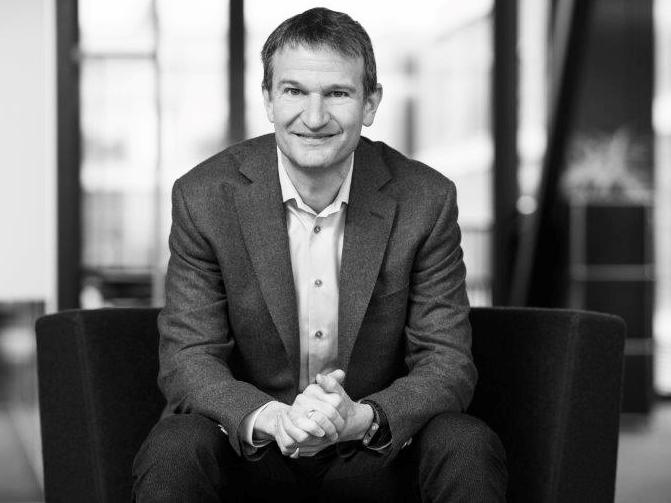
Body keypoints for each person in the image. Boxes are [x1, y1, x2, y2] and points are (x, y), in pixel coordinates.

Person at [132, 7, 507, 502]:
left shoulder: (425, 200)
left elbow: (446, 362)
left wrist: (361, 418)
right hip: (253, 448)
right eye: (294, 91)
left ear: (370, 104)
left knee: (466, 442)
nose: (313, 118)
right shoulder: (204, 197)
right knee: (175, 446)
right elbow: (189, 358)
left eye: (337, 93)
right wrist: (274, 419)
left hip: (373, 447)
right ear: (268, 99)